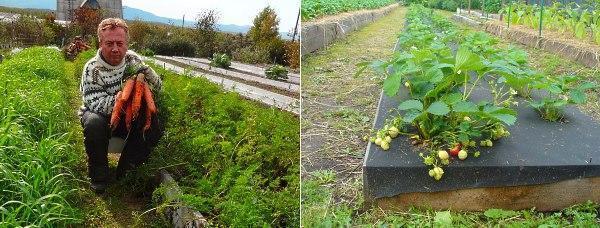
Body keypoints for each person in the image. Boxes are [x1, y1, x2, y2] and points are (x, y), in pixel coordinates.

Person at [79, 18, 163, 193]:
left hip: (128, 117)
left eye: (120, 43)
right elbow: (95, 103)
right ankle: (99, 175)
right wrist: (122, 99)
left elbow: (159, 88)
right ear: (100, 43)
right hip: (102, 119)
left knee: (152, 124)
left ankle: (126, 172)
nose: (115, 49)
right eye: (109, 43)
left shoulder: (133, 60)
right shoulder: (92, 69)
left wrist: (147, 74)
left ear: (127, 43)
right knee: (93, 122)